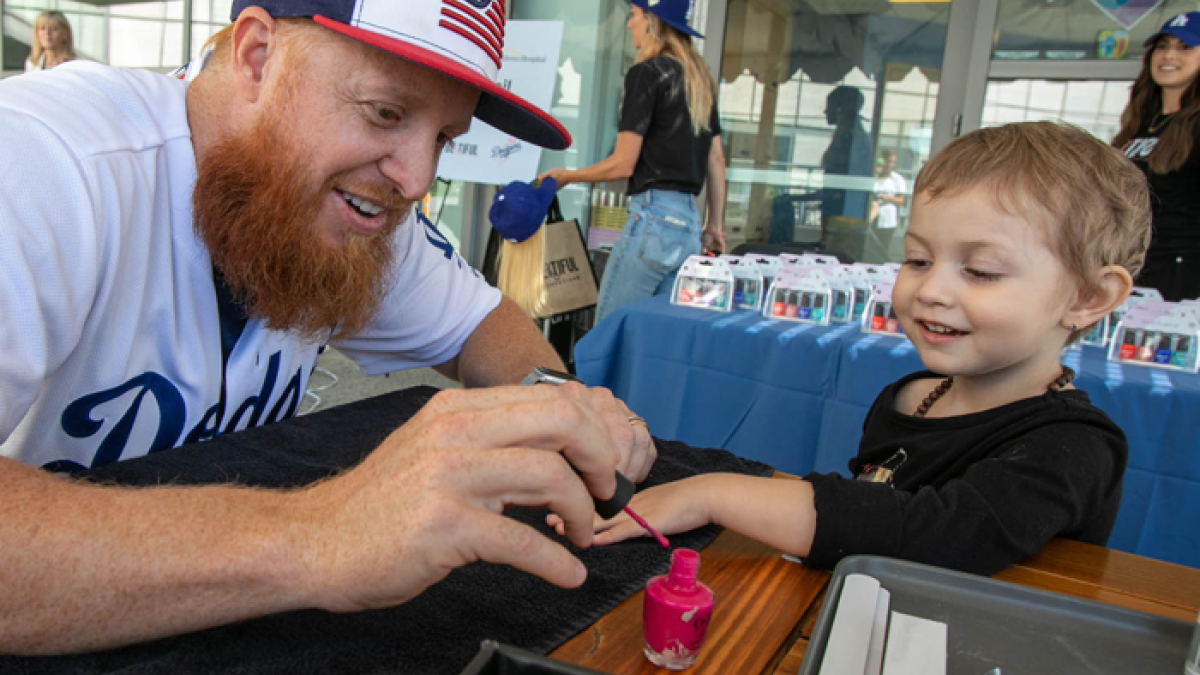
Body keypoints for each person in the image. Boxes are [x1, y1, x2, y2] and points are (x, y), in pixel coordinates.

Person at [0, 1, 657, 655]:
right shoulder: (42, 162)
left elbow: (480, 324)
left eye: (442, 137)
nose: (417, 179)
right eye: (387, 113)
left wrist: (560, 404)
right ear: (257, 57)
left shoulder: (351, 208)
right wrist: (321, 534)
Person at [571, 122, 1150, 577]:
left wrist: (712, 493)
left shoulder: (1074, 447)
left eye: (980, 271)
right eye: (918, 260)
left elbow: (937, 535)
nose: (932, 290)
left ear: (1089, 296)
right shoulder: (913, 396)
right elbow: (868, 503)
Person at [538, 0, 726, 323]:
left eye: (634, 16)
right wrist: (715, 227)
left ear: (653, 22)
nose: (629, 25)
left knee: (607, 333)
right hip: (688, 230)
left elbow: (623, 164)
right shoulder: (700, 82)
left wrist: (568, 176)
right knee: (654, 341)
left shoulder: (646, 74)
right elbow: (717, 160)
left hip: (653, 221)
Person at [1115, 12, 1200, 301]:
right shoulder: (1141, 122)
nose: (1169, 55)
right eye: (1162, 46)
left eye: (1184, 47)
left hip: (1180, 272)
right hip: (1131, 263)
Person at [819, 85, 874, 225]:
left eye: (829, 106)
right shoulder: (845, 134)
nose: (825, 111)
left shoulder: (851, 137)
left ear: (840, 109)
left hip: (843, 213)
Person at [872, 149, 907, 256]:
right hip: (873, 216)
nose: (890, 165)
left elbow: (901, 200)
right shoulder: (875, 176)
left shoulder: (897, 179)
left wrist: (886, 198)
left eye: (893, 162)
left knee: (883, 247)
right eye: (888, 161)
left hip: (887, 217)